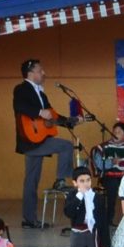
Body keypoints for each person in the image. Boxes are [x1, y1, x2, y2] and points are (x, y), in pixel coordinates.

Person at [13, 59, 76, 228]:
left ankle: (29, 219)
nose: (43, 73)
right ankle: (61, 180)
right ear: (30, 73)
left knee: (31, 181)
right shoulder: (21, 89)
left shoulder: (42, 94)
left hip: (38, 140)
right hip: (30, 139)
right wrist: (39, 112)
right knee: (66, 146)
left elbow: (52, 116)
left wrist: (69, 122)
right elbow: (20, 106)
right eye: (40, 70)